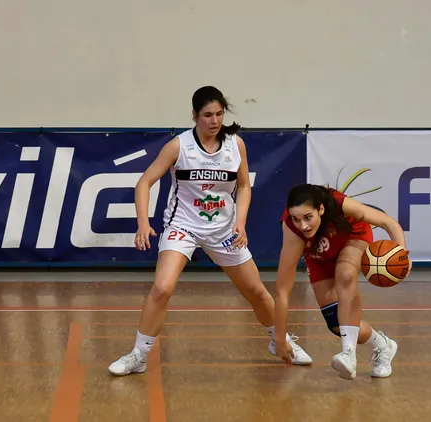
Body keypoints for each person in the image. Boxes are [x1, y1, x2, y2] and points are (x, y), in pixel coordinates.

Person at [108, 86, 312, 376]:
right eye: (207, 115)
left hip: (224, 229)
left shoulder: (235, 145)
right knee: (162, 288)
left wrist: (240, 222)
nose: (214, 121)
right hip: (183, 226)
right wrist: (143, 222)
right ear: (194, 115)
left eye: (219, 114)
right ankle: (139, 355)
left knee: (256, 290)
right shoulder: (178, 146)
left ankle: (281, 340)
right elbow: (144, 182)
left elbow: (244, 186)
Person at [273, 183, 411, 380]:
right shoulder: (293, 232)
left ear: (321, 209)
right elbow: (282, 291)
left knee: (345, 274)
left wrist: (401, 252)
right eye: (296, 219)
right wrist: (279, 339)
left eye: (308, 217)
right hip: (319, 255)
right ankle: (383, 345)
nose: (303, 225)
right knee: (337, 324)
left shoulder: (338, 203)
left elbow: (387, 222)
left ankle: (348, 354)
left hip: (353, 237)